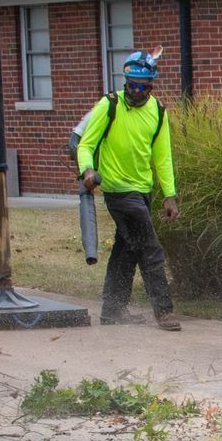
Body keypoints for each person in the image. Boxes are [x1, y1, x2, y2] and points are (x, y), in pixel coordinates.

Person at [76, 51, 181, 331]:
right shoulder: (109, 105)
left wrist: (169, 195)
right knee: (150, 249)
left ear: (151, 86)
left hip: (142, 190)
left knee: (126, 251)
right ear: (125, 82)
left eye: (142, 87)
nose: (136, 91)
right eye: (131, 85)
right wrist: (87, 170)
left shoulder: (157, 112)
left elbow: (163, 157)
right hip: (118, 191)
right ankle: (164, 312)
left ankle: (112, 311)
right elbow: (86, 144)